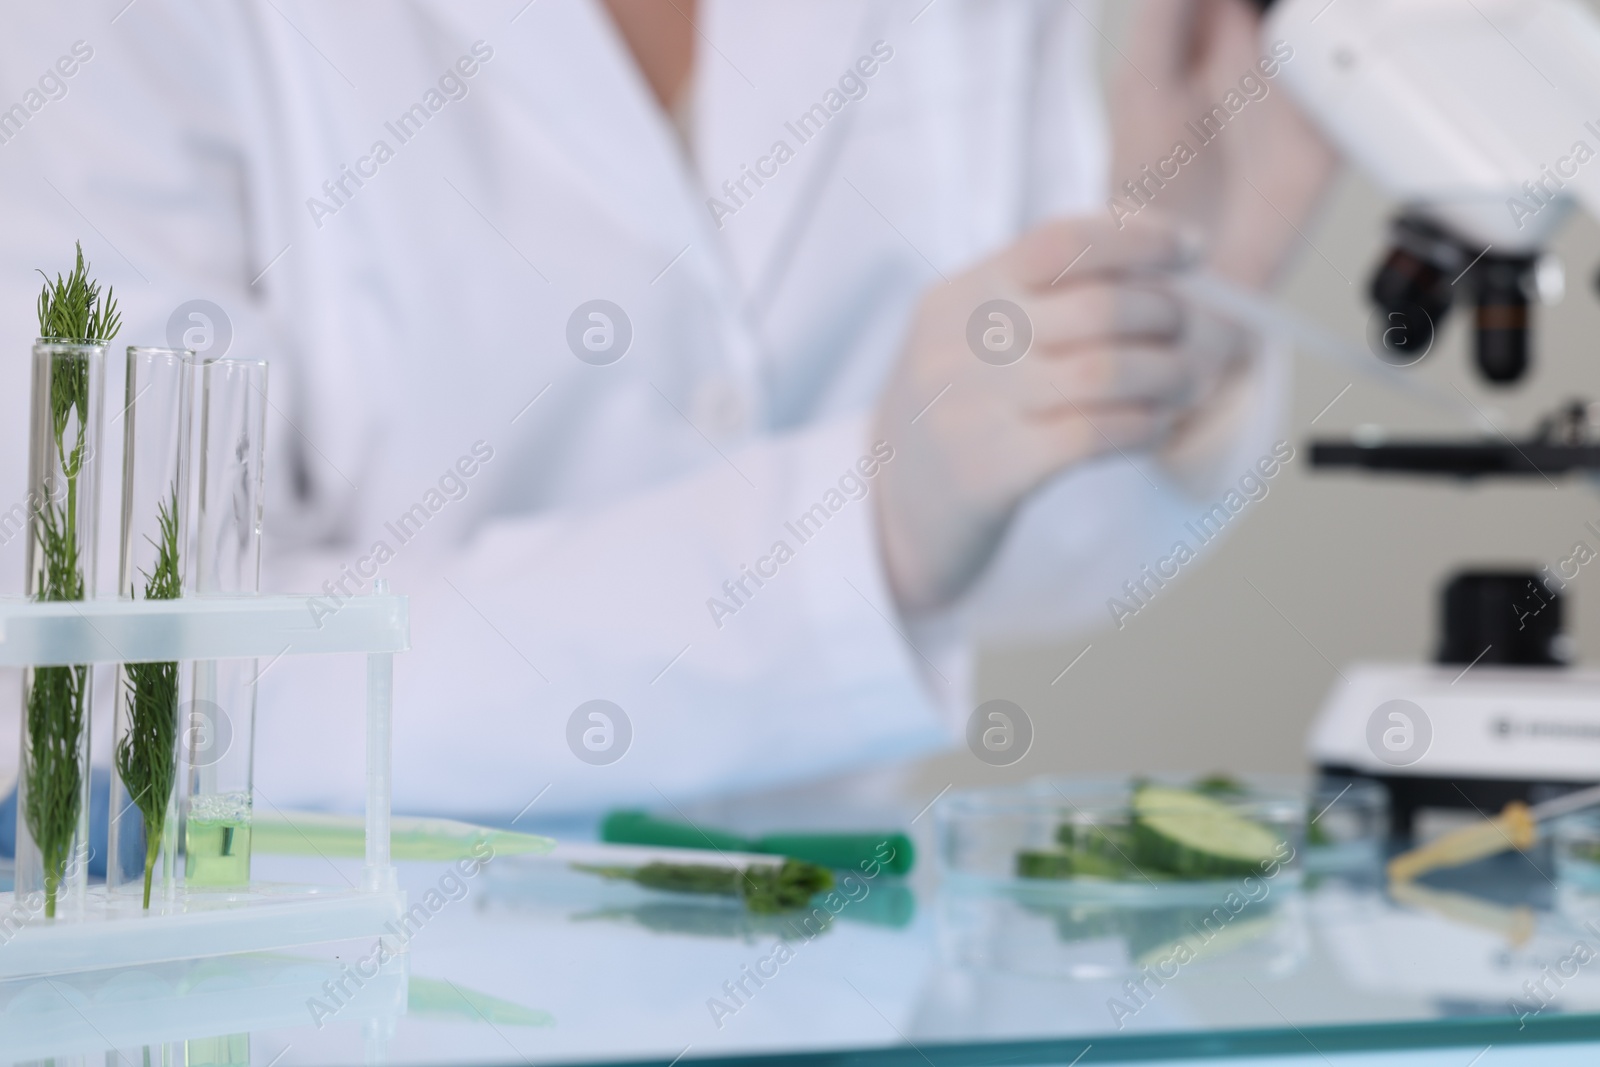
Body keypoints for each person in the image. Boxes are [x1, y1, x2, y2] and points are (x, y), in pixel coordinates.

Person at [0, 0, 1333, 819]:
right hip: (341, 1009)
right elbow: (126, 684)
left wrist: (1172, 311)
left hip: (837, 980)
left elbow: (992, 551)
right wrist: (849, 534)